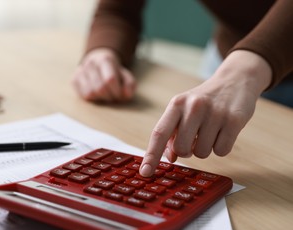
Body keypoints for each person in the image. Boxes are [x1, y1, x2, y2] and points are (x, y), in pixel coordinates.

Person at [72, 0, 293, 177]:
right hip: (229, 63)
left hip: (239, 70)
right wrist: (103, 52)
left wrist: (243, 72)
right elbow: (117, 10)